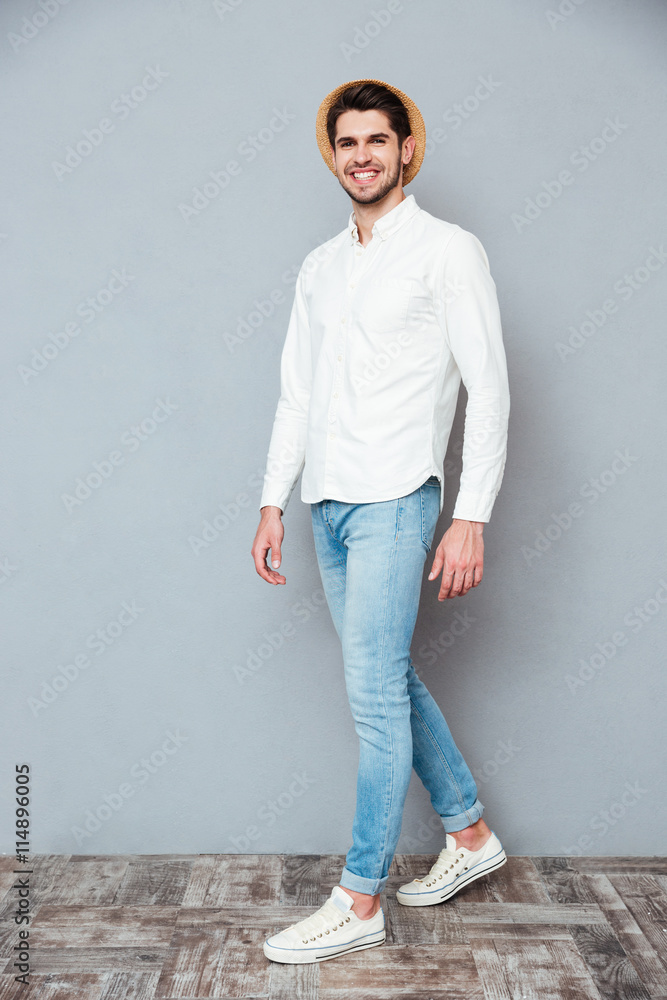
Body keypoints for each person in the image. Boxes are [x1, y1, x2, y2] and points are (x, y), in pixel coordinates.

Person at [250, 78, 510, 965]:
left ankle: (358, 898)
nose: (360, 155)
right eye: (346, 142)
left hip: (398, 496)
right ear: (333, 156)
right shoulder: (319, 266)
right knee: (386, 677)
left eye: (376, 140)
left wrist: (469, 516)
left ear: (406, 149)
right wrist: (272, 499)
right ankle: (469, 834)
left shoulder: (447, 251)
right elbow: (296, 392)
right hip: (326, 502)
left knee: (370, 696)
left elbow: (490, 389)